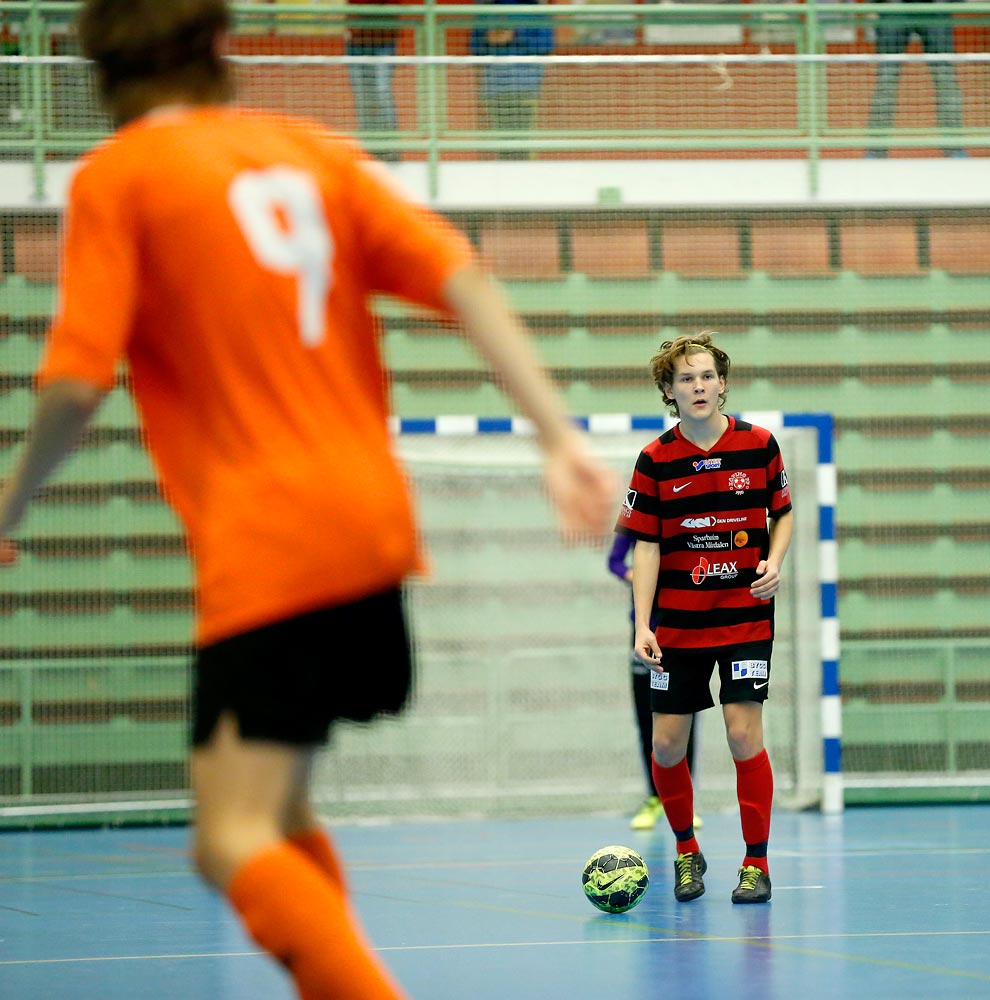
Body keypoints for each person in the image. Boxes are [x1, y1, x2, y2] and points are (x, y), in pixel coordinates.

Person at [0, 2, 617, 998]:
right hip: (374, 528)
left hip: (269, 540)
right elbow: (459, 273)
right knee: (279, 817)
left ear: (100, 74)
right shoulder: (311, 152)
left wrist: (10, 505)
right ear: (217, 46)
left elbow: (75, 382)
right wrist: (558, 436)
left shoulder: (118, 179)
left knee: (225, 837)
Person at [616, 331, 793, 905]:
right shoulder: (655, 460)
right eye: (685, 379)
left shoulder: (760, 444)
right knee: (667, 746)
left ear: (723, 382)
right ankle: (687, 852)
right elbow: (645, 547)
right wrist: (644, 625)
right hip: (678, 625)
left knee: (744, 734)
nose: (698, 386)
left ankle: (756, 863)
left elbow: (782, 514)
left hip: (744, 616)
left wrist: (775, 560)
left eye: (707, 376)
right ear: (669, 391)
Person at [607, 533, 698, 831]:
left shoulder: (684, 521)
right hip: (644, 634)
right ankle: (654, 797)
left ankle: (685, 801)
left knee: (685, 719)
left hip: (682, 629)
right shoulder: (637, 521)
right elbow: (614, 562)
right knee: (647, 720)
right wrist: (637, 575)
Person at [866, 0, 965, 158]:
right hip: (893, 8)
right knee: (886, 78)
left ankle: (955, 148)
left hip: (935, 9)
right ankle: (876, 150)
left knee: (945, 77)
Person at [469, 0, 553, 160]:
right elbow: (474, 48)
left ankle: (525, 178)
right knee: (499, 141)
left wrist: (515, 35)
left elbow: (545, 46)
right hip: (494, 89)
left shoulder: (538, 12)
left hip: (527, 88)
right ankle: (502, 179)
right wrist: (489, 40)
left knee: (525, 141)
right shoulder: (485, 12)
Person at [345, 0, 406, 162]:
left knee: (382, 92)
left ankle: (390, 148)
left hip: (384, 39)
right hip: (356, 40)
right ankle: (369, 147)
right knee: (362, 95)